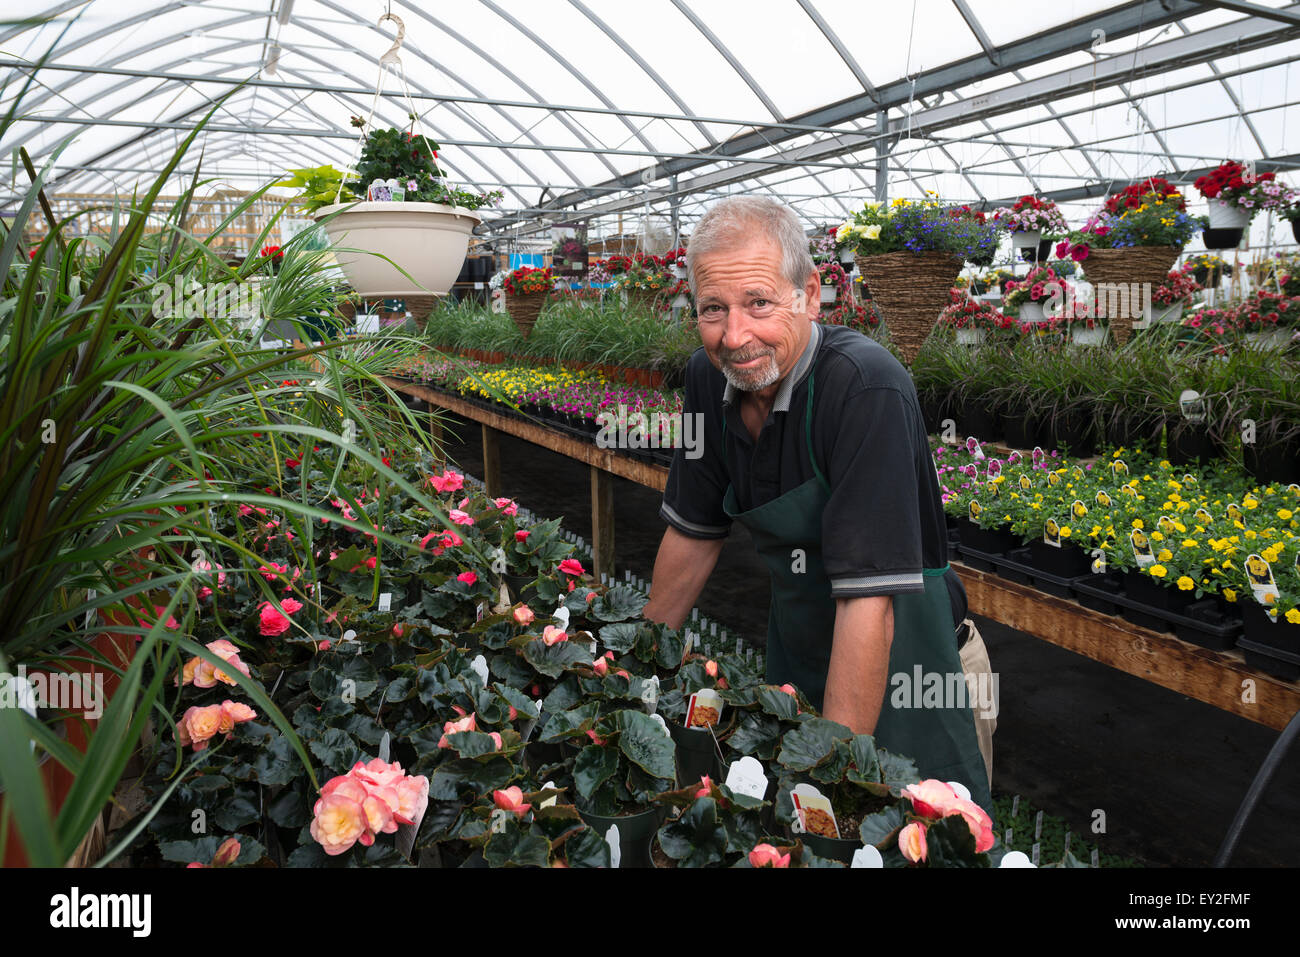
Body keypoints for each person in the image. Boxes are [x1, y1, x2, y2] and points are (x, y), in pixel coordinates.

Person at [641, 196, 994, 810]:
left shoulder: (863, 387)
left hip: (917, 667)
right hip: (806, 648)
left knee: (913, 830)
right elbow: (695, 532)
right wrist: (638, 671)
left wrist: (829, 778)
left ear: (808, 293)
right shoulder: (708, 378)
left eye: (758, 303)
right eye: (712, 309)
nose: (735, 336)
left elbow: (870, 600)